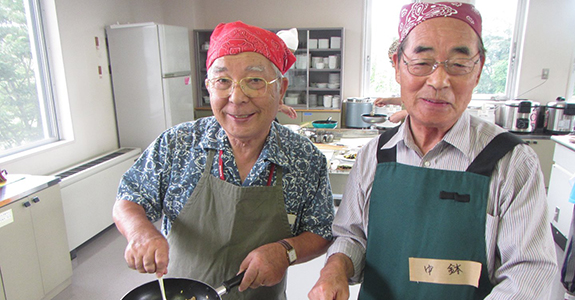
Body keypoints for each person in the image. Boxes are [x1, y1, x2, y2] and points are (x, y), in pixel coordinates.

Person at [309, 2, 557, 300]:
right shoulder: (375, 155)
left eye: (459, 64)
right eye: (422, 62)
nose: (439, 81)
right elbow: (352, 236)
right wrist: (335, 267)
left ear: (477, 72)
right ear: (397, 67)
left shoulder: (511, 162)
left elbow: (529, 272)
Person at [113, 21, 334, 300]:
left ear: (281, 89)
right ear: (209, 87)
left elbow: (321, 230)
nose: (237, 97)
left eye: (255, 81)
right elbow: (128, 198)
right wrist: (141, 233)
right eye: (223, 81)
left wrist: (286, 251)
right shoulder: (177, 144)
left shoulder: (305, 158)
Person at [373, 38, 407, 123]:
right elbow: (408, 101)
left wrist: (403, 114)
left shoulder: (421, 77)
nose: (392, 65)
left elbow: (429, 108)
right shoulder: (405, 78)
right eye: (391, 61)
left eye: (394, 60)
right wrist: (388, 100)